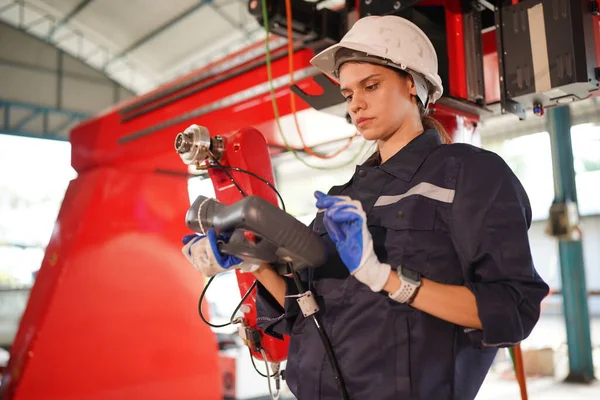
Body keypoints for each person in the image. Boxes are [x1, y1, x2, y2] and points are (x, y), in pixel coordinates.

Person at [182, 15, 550, 400]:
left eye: (370, 86)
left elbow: (513, 309)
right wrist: (250, 262)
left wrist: (388, 279)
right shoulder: (343, 197)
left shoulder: (469, 175)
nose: (356, 104)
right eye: (347, 94)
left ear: (413, 84)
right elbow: (302, 311)